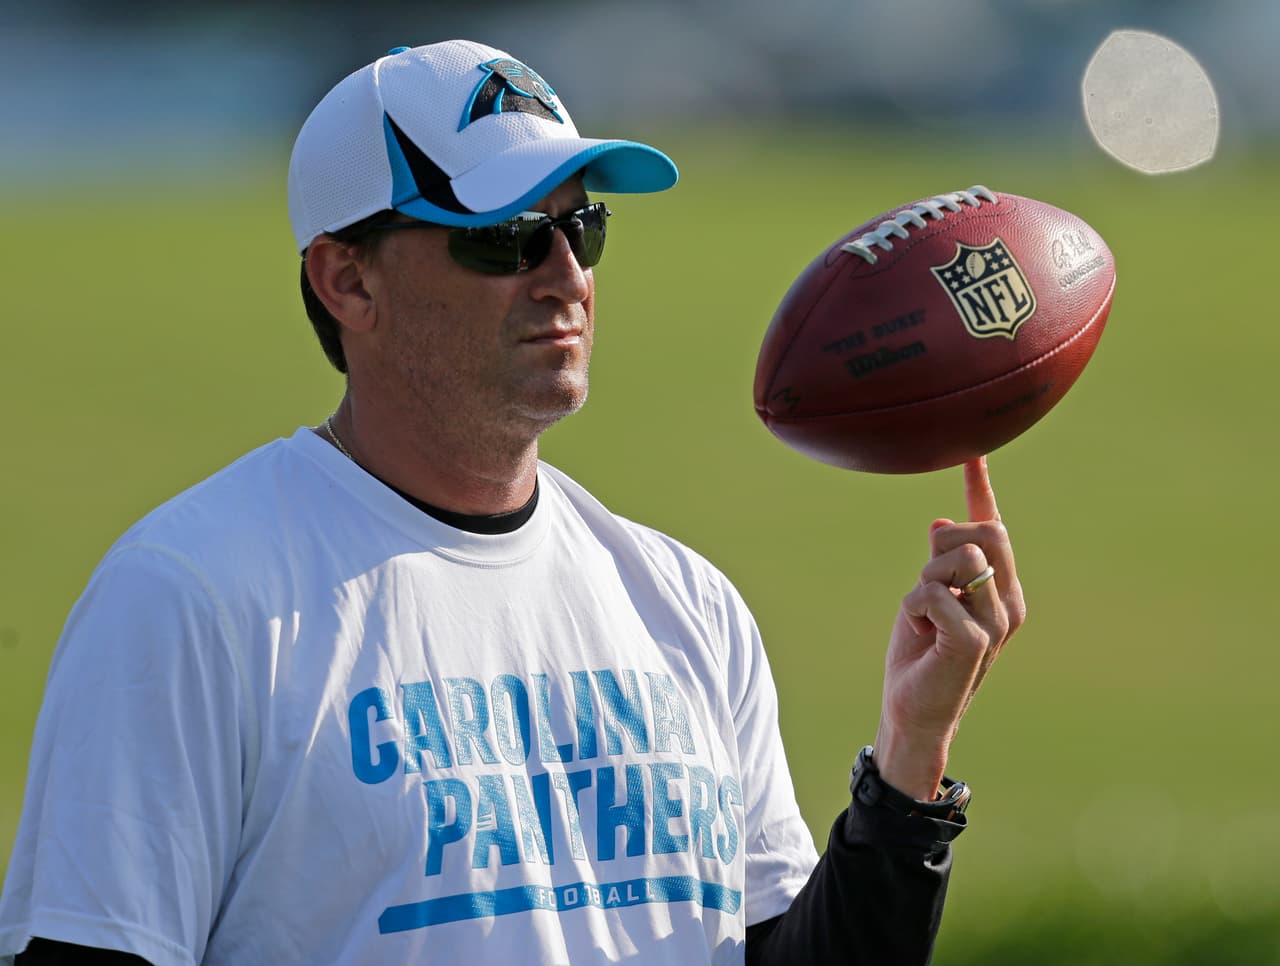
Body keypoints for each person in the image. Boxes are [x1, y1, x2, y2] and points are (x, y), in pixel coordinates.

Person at [0, 40, 1024, 965]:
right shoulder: (191, 599)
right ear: (346, 282)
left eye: (583, 227)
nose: (566, 276)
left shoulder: (687, 607)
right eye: (505, 238)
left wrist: (907, 763)